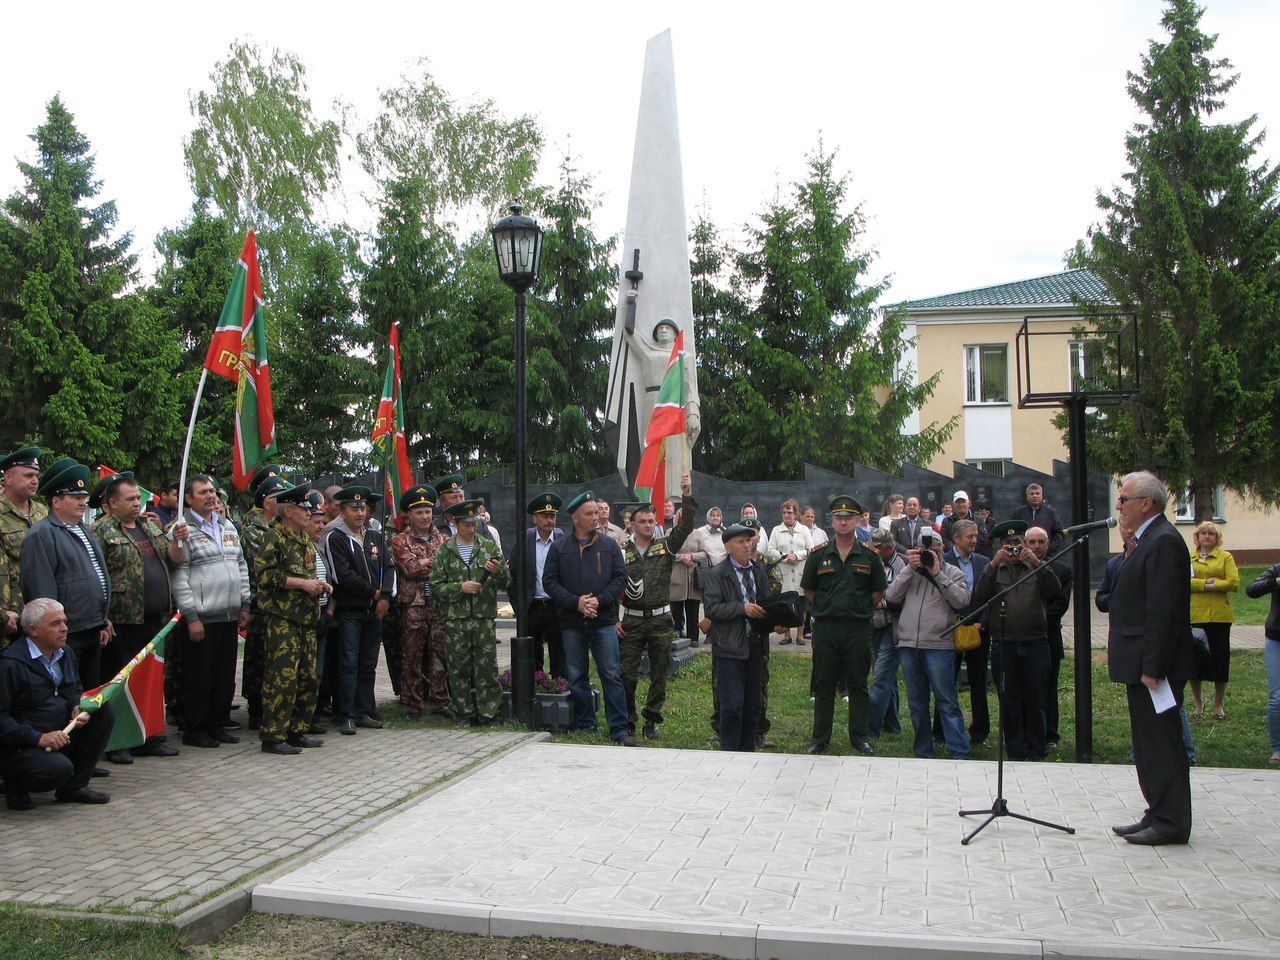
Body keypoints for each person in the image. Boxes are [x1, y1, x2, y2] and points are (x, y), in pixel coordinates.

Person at [1107, 470, 1195, 845]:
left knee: (1162, 743)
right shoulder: (1144, 541)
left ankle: (1172, 822)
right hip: (1139, 662)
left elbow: (1164, 612)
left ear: (1146, 504)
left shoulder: (1163, 542)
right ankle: (1157, 811)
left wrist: (1153, 668)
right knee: (1146, 744)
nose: (1118, 506)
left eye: (1123, 499)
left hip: (1154, 667)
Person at [90, 472, 186, 763]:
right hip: (122, 620)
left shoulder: (147, 525)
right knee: (120, 681)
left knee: (151, 680)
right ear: (111, 502)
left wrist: (178, 542)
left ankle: (150, 736)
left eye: (138, 498)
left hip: (155, 617)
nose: (137, 503)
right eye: (130, 499)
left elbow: (173, 559)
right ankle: (117, 741)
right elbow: (97, 576)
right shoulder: (101, 530)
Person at [0, 598, 115, 809]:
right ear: (33, 630)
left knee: (101, 710)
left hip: (58, 729)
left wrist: (76, 706)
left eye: (64, 622)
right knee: (57, 770)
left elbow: (73, 688)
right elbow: (2, 718)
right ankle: (14, 784)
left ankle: (74, 787)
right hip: (22, 743)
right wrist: (39, 738)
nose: (64, 629)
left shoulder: (65, 653)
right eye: (55, 624)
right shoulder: (11, 664)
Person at [541, 491, 632, 745]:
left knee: (611, 675)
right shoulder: (560, 548)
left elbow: (620, 578)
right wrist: (577, 603)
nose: (596, 517)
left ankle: (619, 728)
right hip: (572, 622)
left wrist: (598, 601)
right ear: (575, 518)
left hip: (603, 621)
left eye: (596, 512)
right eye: (589, 514)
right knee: (577, 675)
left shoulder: (609, 545)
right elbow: (550, 581)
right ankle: (585, 723)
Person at [800, 495, 887, 755]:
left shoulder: (870, 555)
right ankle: (820, 738)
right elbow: (809, 590)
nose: (843, 522)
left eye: (848, 517)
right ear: (833, 522)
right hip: (826, 627)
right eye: (839, 517)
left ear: (857, 520)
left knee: (858, 683)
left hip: (858, 627)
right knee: (824, 683)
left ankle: (859, 737)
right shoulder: (818, 554)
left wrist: (855, 609)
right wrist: (830, 609)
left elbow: (877, 593)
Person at [171, 474, 251, 748]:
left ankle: (217, 723)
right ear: (189, 498)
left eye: (212, 491)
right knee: (199, 677)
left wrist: (244, 602)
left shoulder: (227, 525)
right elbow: (179, 576)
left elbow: (240, 564)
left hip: (229, 613)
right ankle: (196, 728)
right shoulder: (182, 530)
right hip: (202, 616)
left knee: (223, 675)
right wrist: (191, 616)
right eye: (203, 492)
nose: (210, 496)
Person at [19, 459, 112, 690]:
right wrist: (53, 629)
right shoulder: (42, 534)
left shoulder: (84, 530)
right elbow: (41, 590)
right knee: (69, 693)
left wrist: (102, 618)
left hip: (91, 627)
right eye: (75, 497)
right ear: (56, 501)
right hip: (66, 632)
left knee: (91, 693)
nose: (83, 502)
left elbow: (97, 575)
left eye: (83, 496)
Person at [618, 476, 696, 740]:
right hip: (632, 621)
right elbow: (612, 584)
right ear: (632, 523)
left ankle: (651, 720)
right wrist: (615, 618)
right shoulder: (620, 551)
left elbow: (685, 527)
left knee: (659, 673)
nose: (649, 525)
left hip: (661, 621)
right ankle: (628, 718)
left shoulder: (665, 547)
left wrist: (686, 495)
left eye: (652, 521)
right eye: (643, 521)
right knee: (627, 674)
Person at [255, 482, 330, 755]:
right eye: (303, 508)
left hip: (306, 618)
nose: (309, 513)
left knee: (307, 677)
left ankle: (298, 730)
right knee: (281, 678)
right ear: (288, 511)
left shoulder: (304, 539)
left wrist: (320, 585)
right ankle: (274, 735)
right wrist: (301, 584)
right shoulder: (273, 537)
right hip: (282, 619)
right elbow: (265, 576)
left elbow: (308, 573)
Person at [884, 524, 971, 760]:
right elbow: (891, 596)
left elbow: (962, 600)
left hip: (938, 646)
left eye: (934, 549)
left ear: (943, 548)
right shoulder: (910, 571)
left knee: (946, 701)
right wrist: (909, 570)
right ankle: (923, 751)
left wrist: (936, 573)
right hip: (909, 645)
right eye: (924, 549)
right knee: (917, 703)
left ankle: (959, 752)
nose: (929, 553)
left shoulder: (952, 572)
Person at [975, 520, 1059, 762]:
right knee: (1009, 700)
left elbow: (1054, 588)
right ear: (1001, 546)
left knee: (1036, 699)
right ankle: (1015, 750)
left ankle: (1036, 749)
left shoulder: (1034, 566)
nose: (1013, 549)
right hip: (1005, 644)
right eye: (1008, 545)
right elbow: (980, 594)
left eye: (1017, 544)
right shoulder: (996, 569)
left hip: (1035, 643)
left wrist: (1035, 562)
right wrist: (992, 564)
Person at [430, 499, 509, 728]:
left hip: (483, 616)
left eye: (474, 523)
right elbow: (435, 587)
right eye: (466, 524)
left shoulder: (488, 547)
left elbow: (506, 581)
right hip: (457, 619)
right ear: (455, 523)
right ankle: (463, 713)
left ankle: (489, 713)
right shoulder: (445, 551)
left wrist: (497, 572)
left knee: (487, 668)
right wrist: (459, 588)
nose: (472, 528)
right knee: (458, 668)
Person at [326, 486, 394, 736]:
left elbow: (388, 567)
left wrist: (385, 596)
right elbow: (342, 576)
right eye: (353, 509)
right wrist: (372, 592)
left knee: (368, 662)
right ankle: (347, 714)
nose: (359, 513)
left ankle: (364, 710)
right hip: (350, 611)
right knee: (348, 662)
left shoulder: (375, 536)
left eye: (362, 508)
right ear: (342, 511)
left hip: (374, 611)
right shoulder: (336, 538)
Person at [702, 522, 772, 751]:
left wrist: (778, 618)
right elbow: (712, 609)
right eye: (741, 542)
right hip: (730, 647)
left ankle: (748, 751)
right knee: (732, 706)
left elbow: (765, 601)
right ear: (728, 546)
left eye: (749, 541)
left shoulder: (757, 570)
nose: (747, 546)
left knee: (753, 704)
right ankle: (730, 752)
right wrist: (742, 608)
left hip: (755, 646)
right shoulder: (718, 573)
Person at [391, 484, 451, 721]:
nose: (425, 516)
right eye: (419, 512)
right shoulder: (400, 541)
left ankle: (441, 702)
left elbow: (447, 570)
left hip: (438, 605)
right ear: (410, 515)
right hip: (413, 606)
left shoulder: (444, 539)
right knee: (412, 656)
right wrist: (430, 563)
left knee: (440, 655)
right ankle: (413, 704)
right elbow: (410, 568)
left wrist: (425, 562)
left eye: (428, 511)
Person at [241, 470, 288, 730]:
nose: (284, 500)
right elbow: (258, 569)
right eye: (278, 496)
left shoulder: (284, 529)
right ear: (266, 501)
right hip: (261, 604)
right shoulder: (253, 531)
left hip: (282, 606)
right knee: (258, 657)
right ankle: (256, 708)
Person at [942, 519, 992, 746]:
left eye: (976, 535)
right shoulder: (942, 561)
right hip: (950, 628)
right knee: (945, 682)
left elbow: (991, 596)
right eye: (970, 536)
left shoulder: (984, 562)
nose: (975, 540)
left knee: (978, 682)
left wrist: (982, 623)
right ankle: (941, 731)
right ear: (957, 538)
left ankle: (979, 733)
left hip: (978, 629)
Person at [1024, 526, 1071, 749]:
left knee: (1048, 689)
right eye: (1032, 542)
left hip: (1048, 638)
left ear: (1048, 543)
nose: (1036, 546)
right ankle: (1025, 731)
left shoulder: (1061, 569)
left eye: (1041, 542)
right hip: (1021, 639)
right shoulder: (1016, 568)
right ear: (1025, 544)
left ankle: (1049, 734)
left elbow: (1060, 604)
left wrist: (1032, 617)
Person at [1188, 521, 1239, 720]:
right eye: (1203, 534)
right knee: (1195, 660)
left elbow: (1233, 583)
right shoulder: (1189, 557)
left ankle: (1218, 704)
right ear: (1198, 537)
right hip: (1195, 614)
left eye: (1211, 534)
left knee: (1220, 659)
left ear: (1217, 538)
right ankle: (1198, 703)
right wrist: (1203, 584)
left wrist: (1214, 584)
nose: (1207, 537)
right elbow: (1183, 581)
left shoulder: (1225, 557)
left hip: (1220, 616)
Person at [1, 447, 48, 649]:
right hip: (14, 614)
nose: (35, 480)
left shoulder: (42, 511)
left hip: (46, 609)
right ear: (8, 479)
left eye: (36, 475)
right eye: (28, 475)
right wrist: (7, 612)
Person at [865, 528, 906, 738]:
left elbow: (907, 599)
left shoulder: (904, 564)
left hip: (893, 628)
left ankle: (870, 729)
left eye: (876, 548)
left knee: (880, 678)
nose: (873, 550)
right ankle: (892, 724)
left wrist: (886, 604)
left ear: (888, 547)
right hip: (873, 627)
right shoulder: (871, 563)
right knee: (885, 676)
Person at [523, 493, 567, 679]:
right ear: (535, 518)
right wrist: (519, 604)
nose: (550, 520)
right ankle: (536, 684)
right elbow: (516, 574)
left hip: (556, 605)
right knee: (533, 651)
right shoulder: (525, 541)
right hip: (532, 605)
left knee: (559, 649)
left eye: (553, 516)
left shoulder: (562, 540)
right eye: (545, 516)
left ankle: (559, 685)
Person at [1245, 562, 1280, 765]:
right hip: (1276, 637)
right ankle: (1277, 749)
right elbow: (1251, 590)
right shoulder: (1277, 569)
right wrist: (1275, 582)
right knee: (1276, 697)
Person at [304, 490, 334, 732]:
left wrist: (331, 609)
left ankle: (310, 715)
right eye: (315, 522)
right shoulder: (298, 548)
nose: (320, 526)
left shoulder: (320, 548)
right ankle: (302, 718)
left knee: (318, 670)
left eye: (322, 522)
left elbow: (330, 578)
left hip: (322, 615)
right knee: (306, 671)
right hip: (304, 618)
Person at [765, 500, 813, 646]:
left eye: (790, 512)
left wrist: (797, 556)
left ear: (796, 513)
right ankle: (787, 635)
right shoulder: (776, 530)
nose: (787, 515)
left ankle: (800, 635)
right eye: (784, 512)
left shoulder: (804, 530)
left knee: (801, 605)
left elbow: (811, 549)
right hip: (783, 574)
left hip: (800, 573)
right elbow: (770, 550)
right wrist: (786, 557)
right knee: (784, 605)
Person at [677, 507, 724, 647]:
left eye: (718, 515)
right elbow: (703, 553)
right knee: (709, 604)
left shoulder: (725, 531)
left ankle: (718, 633)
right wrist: (686, 558)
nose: (715, 518)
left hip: (723, 572)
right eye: (713, 515)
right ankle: (708, 633)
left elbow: (724, 549)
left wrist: (692, 556)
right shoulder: (701, 531)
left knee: (723, 604)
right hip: (707, 573)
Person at [1011, 483, 1066, 550]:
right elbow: (1012, 533)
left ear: (1041, 496)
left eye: (1037, 493)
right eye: (1032, 494)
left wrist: (1049, 549)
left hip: (1046, 557)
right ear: (1027, 497)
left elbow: (1059, 533)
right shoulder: (1018, 513)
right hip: (1023, 556)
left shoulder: (1050, 512)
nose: (1035, 496)